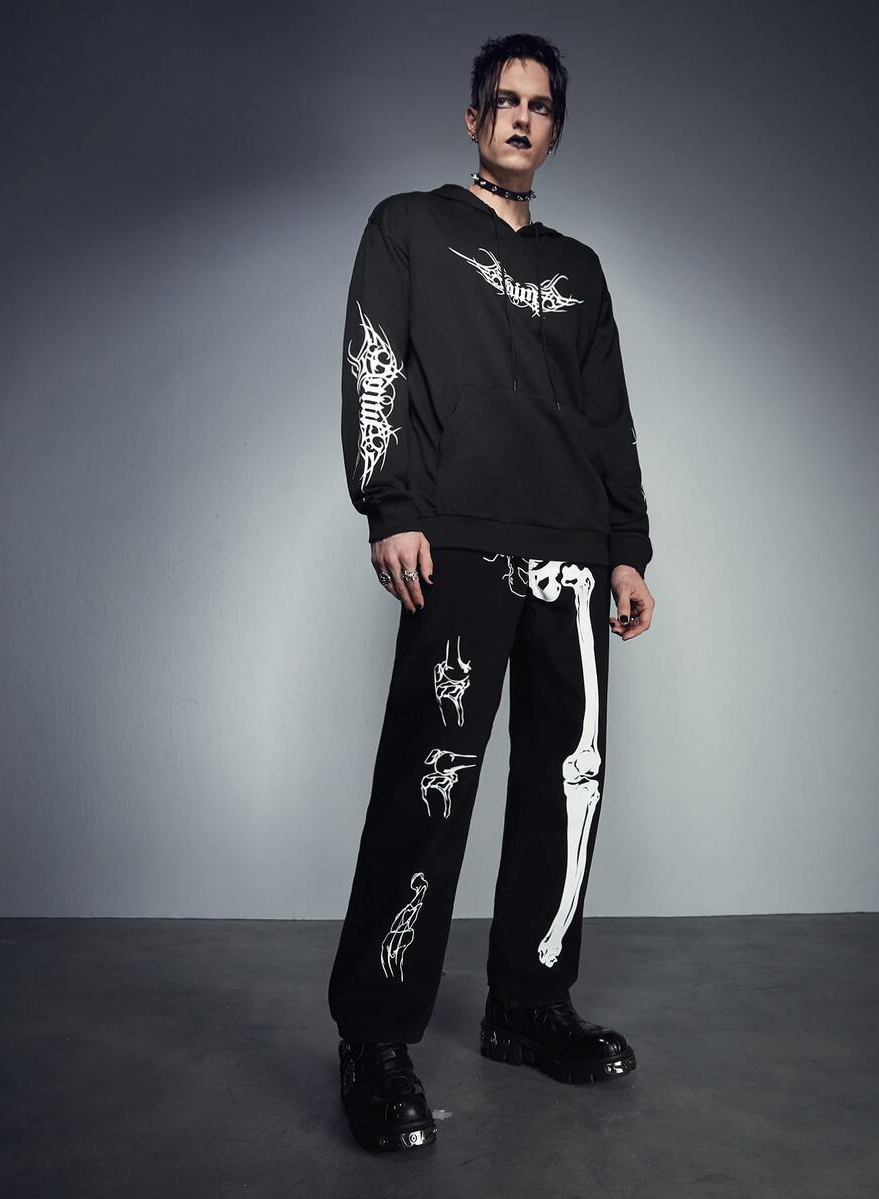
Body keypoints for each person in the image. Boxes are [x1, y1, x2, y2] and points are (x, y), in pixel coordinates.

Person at [328, 32, 655, 1154]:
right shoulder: (408, 227)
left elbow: (608, 414)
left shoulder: (581, 268)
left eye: (540, 105)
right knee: (428, 788)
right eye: (504, 101)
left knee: (566, 788)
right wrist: (390, 502)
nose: (521, 118)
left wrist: (628, 547)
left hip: (573, 555)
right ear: (472, 118)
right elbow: (374, 358)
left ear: (556, 129)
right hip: (457, 544)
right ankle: (375, 1036)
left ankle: (529, 1002)